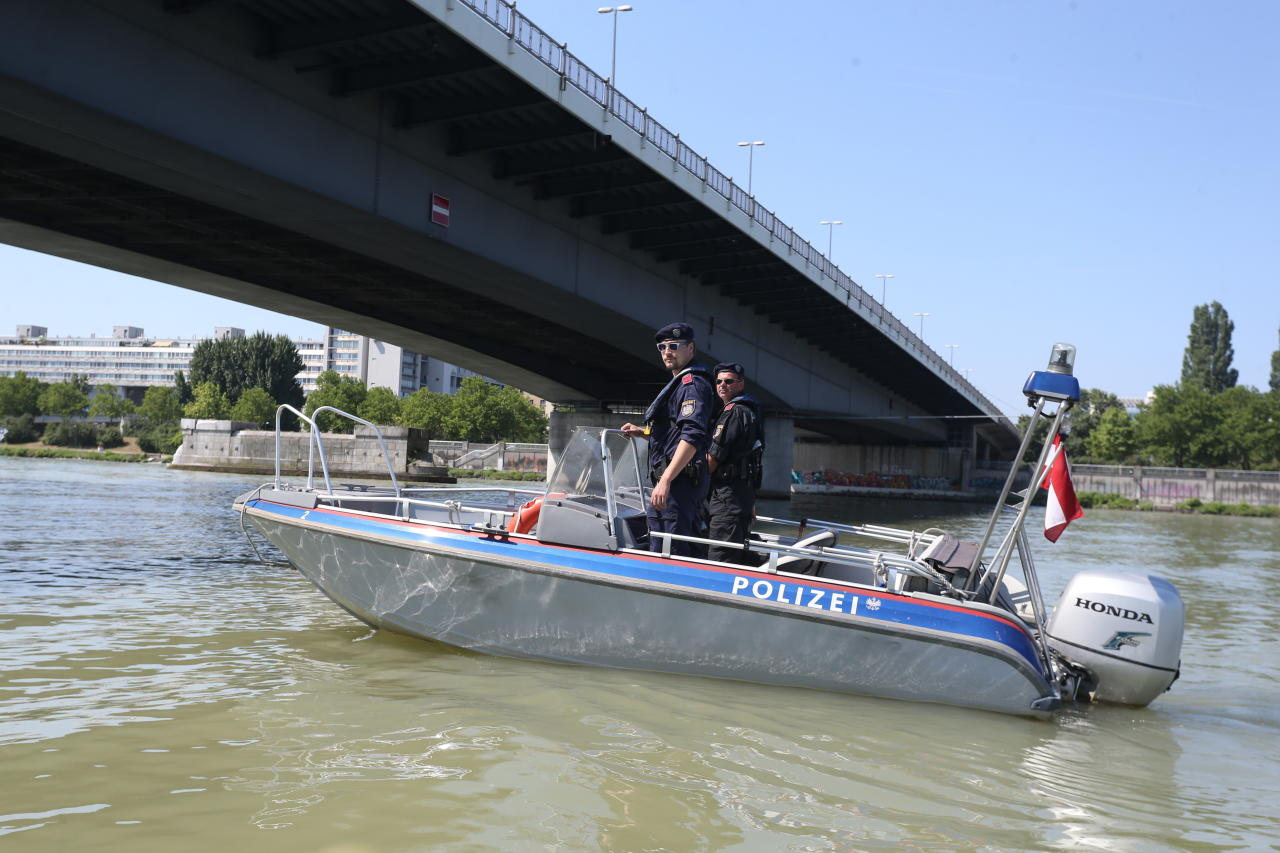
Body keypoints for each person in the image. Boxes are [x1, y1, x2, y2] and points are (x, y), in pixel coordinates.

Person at [621, 322, 715, 556]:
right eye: (662, 347)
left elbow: (691, 436)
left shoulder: (691, 384)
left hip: (678, 483)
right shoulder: (681, 384)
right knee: (673, 542)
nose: (667, 352)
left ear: (690, 348)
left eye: (673, 345)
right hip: (676, 481)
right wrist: (642, 432)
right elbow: (673, 432)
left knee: (670, 548)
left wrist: (666, 480)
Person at [704, 362, 764, 564]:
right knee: (735, 553)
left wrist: (687, 483)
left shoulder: (733, 412)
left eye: (729, 381)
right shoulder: (750, 411)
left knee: (720, 558)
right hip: (742, 496)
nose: (722, 385)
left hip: (727, 499)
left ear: (741, 385)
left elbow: (713, 459)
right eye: (719, 381)